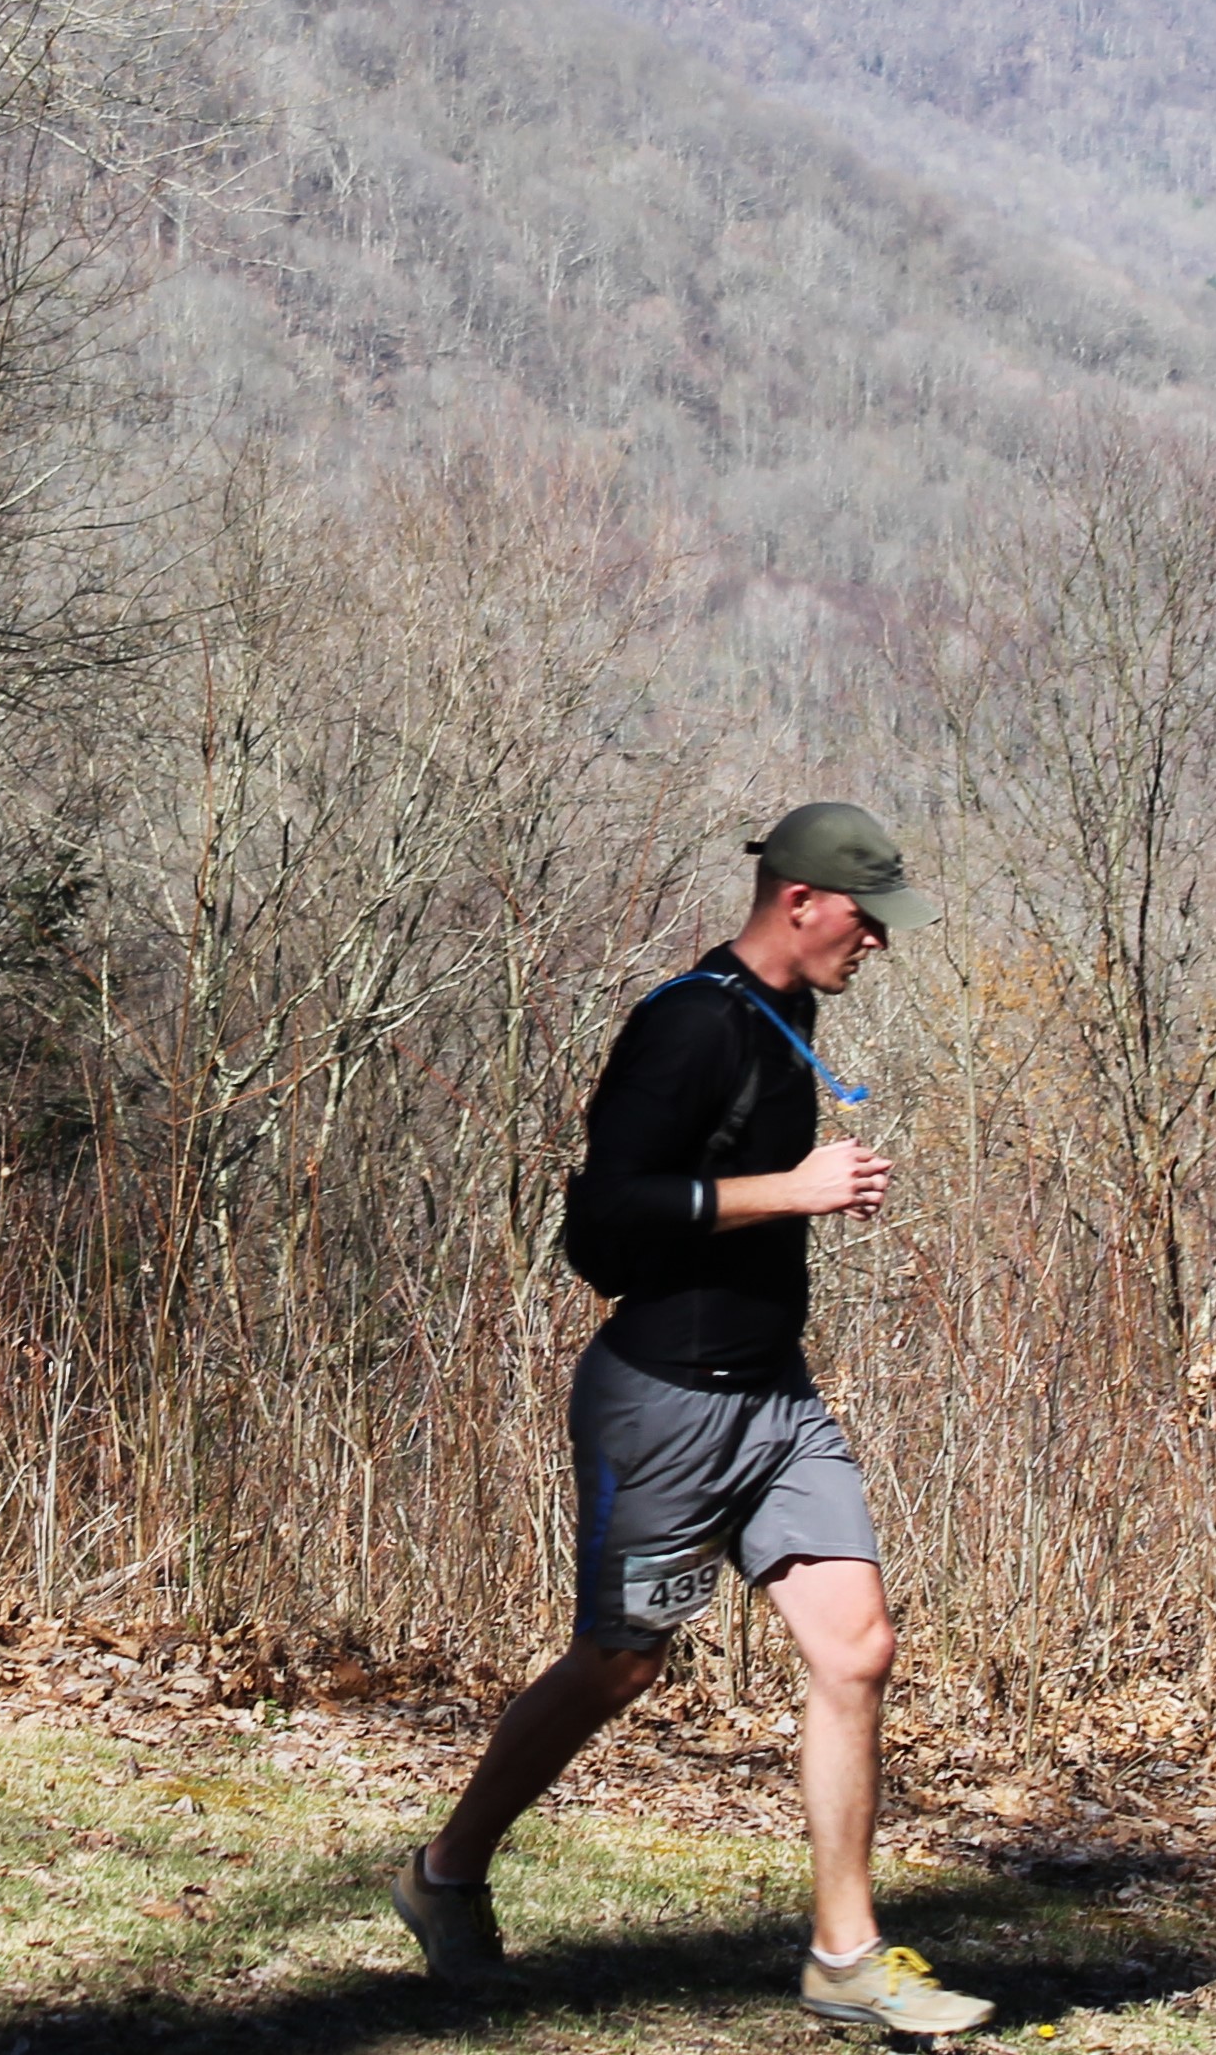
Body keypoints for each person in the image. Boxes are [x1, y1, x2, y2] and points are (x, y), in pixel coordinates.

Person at [390, 801, 991, 2038]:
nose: (880, 942)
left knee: (856, 1647)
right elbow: (603, 1227)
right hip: (659, 1407)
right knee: (623, 1661)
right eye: (868, 921)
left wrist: (791, 1201)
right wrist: (795, 1187)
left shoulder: (791, 1014)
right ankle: (444, 1872)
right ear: (800, 901)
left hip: (776, 1400)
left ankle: (844, 1956)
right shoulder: (684, 1027)